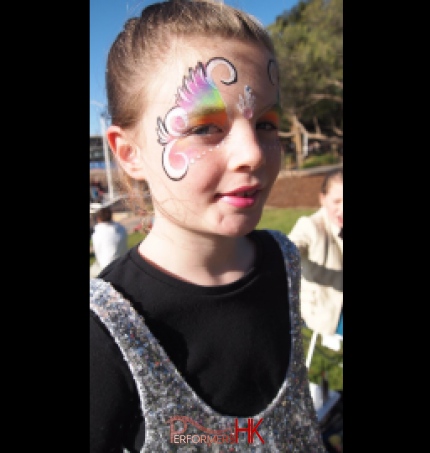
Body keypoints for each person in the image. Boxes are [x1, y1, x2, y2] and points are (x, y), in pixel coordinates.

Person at [90, 1, 327, 451]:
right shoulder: (105, 331)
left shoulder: (284, 259)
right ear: (129, 152)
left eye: (266, 124)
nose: (253, 153)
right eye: (204, 128)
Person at [288, 168, 343, 336]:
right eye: (336, 201)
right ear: (322, 199)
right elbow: (293, 245)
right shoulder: (310, 225)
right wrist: (287, 254)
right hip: (327, 308)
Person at [90, 206, 128, 278]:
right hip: (123, 261)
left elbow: (98, 253)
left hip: (107, 266)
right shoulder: (121, 228)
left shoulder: (97, 233)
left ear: (98, 218)